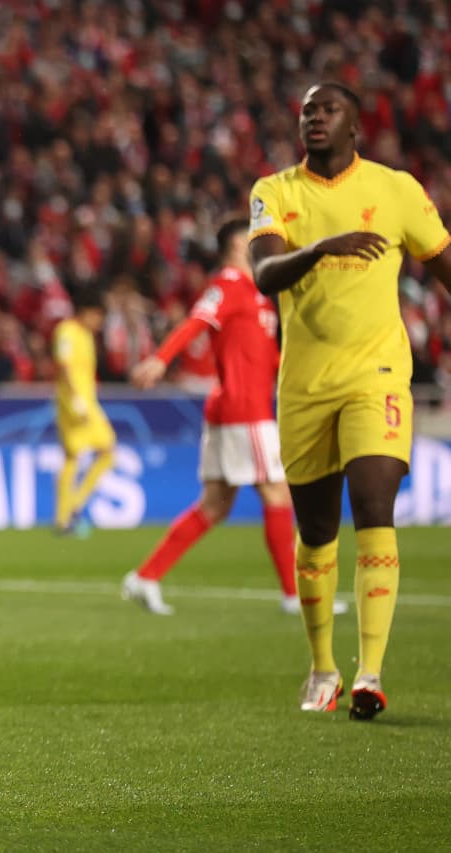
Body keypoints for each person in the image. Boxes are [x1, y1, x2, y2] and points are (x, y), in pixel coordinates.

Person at [249, 82, 451, 719]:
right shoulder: (274, 192)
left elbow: (444, 264)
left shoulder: (395, 190)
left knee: (373, 505)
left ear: (354, 126)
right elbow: (263, 275)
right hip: (306, 385)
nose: (313, 117)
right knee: (316, 532)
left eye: (326, 109)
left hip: (378, 375)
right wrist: (320, 249)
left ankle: (369, 672)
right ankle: (322, 667)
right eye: (306, 108)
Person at [123, 219, 347, 618]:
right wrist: (161, 358)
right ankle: (294, 594)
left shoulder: (258, 294)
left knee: (214, 506)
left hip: (236, 409)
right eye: (255, 238)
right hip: (245, 412)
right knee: (277, 495)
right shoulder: (228, 284)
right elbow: (197, 320)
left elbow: (266, 358)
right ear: (237, 245)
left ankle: (145, 577)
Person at [52, 289, 115, 536]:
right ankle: (64, 517)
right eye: (98, 316)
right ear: (87, 312)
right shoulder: (66, 331)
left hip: (89, 403)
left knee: (107, 451)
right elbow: (64, 366)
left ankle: (72, 508)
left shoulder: (87, 335)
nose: (99, 322)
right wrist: (75, 399)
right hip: (73, 404)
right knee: (73, 457)